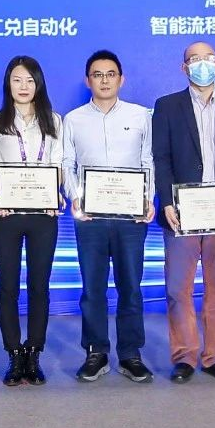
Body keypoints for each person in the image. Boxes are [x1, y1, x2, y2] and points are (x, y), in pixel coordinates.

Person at [151, 41, 215, 384]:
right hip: (182, 211)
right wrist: (167, 201)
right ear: (184, 68)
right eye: (194, 59)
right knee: (177, 288)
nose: (202, 64)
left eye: (207, 58)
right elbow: (161, 157)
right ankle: (184, 356)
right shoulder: (167, 106)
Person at [61, 50, 155, 383]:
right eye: (97, 75)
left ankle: (130, 354)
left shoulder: (140, 115)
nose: (104, 80)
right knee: (93, 288)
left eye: (110, 74)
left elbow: (148, 160)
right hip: (91, 218)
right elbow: (66, 163)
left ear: (121, 79)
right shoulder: (73, 119)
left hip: (130, 218)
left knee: (131, 287)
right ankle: (96, 352)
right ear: (88, 80)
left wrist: (147, 199)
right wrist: (75, 197)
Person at [0, 55, 63, 386]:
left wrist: (52, 193)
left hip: (43, 215)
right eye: (17, 79)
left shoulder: (54, 121)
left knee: (39, 285)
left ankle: (34, 352)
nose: (24, 86)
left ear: (38, 84)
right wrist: (1, 194)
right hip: (8, 215)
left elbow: (58, 164)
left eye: (30, 80)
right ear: (8, 84)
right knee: (8, 285)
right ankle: (14, 354)